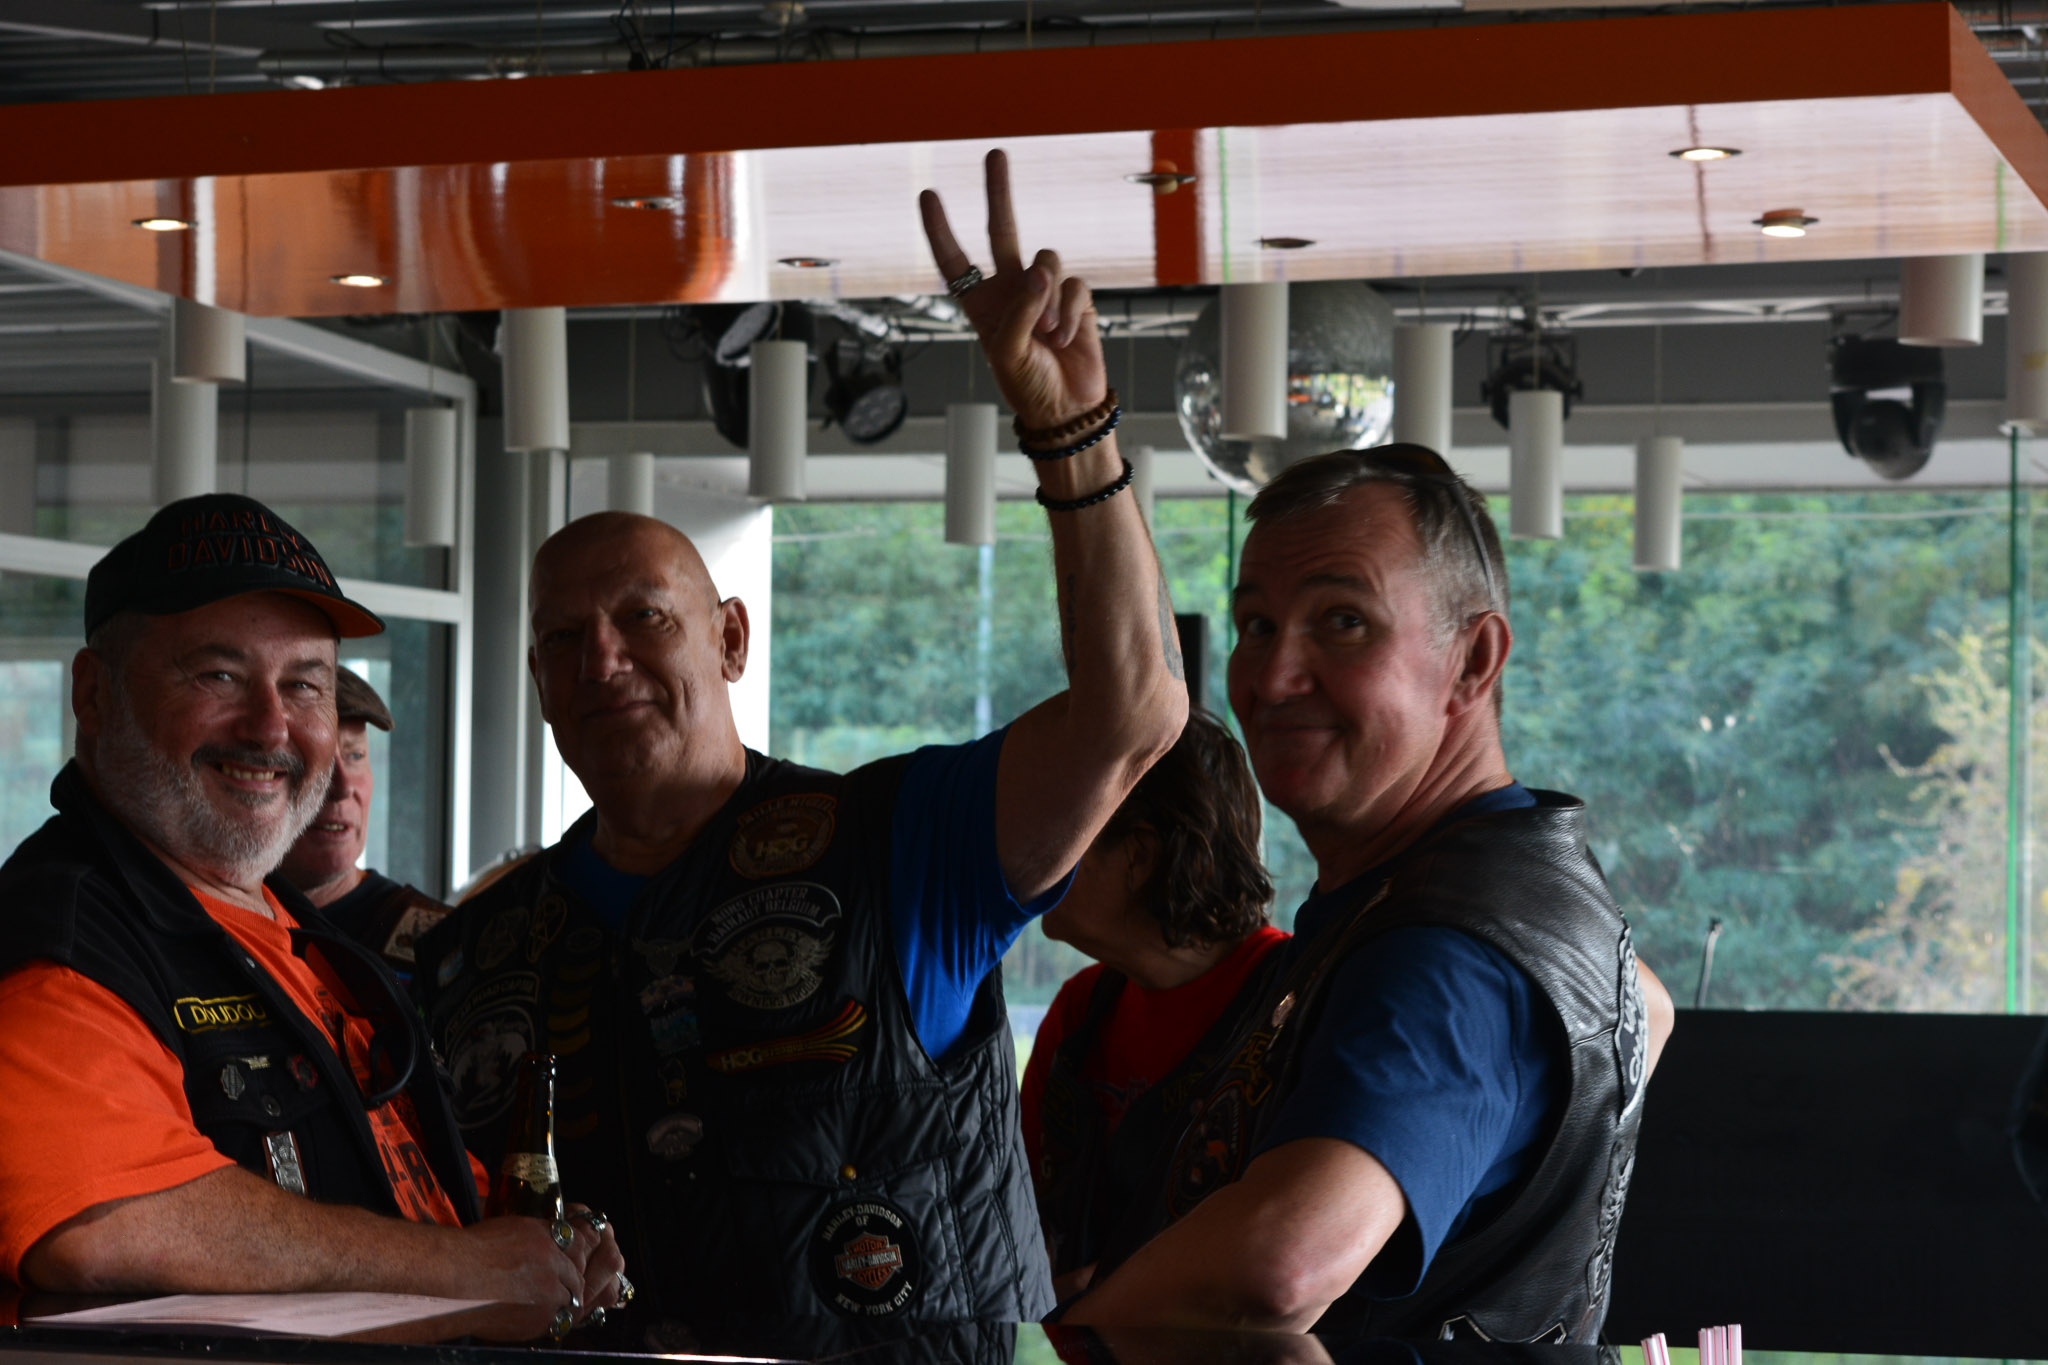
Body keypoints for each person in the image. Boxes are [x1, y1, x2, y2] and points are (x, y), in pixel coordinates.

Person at [418, 148, 1187, 1341]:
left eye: (643, 619)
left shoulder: (895, 847)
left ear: (730, 639)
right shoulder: (478, 954)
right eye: (563, 638)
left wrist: (1070, 431)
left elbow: (1131, 715)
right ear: (536, 680)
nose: (601, 660)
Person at [1064, 447, 1660, 1342]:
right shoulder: (1496, 880)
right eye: (1257, 624)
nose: (1273, 678)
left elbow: (1281, 1269)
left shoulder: (1445, 949)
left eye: (1344, 621)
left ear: (1474, 659)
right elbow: (1649, 1002)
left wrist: (1092, 1324)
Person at [0, 493, 620, 1330]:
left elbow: (396, 1178)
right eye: (218, 675)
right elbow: (102, 1219)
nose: (270, 727)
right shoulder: (62, 941)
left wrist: (533, 1240)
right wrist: (468, 1267)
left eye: (304, 684)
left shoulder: (295, 934)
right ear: (94, 693)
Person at [1021, 709, 1286, 1296]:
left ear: (1137, 856)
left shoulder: (1293, 1004)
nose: (1030, 848)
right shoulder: (1080, 1013)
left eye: (1059, 824)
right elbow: (1017, 1223)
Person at [278, 665, 450, 978]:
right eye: (314, 759)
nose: (343, 787)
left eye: (355, 756)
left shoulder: (437, 941)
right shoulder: (211, 921)